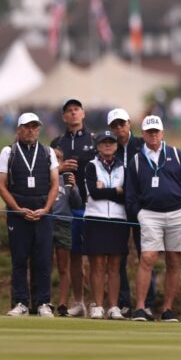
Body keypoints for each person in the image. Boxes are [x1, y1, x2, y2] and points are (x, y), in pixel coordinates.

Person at [126, 115, 181, 322]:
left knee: (173, 261)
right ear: (143, 134)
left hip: (178, 213)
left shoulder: (176, 155)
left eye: (156, 131)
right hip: (149, 213)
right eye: (149, 132)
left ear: (162, 133)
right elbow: (131, 194)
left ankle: (168, 309)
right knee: (147, 257)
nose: (153, 135)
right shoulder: (138, 160)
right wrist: (138, 212)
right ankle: (140, 307)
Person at [1, 113, 60, 317]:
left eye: (35, 127)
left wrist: (46, 208)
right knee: (19, 260)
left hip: (43, 213)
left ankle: (43, 302)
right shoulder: (9, 152)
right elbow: (1, 185)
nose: (31, 130)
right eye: (27, 127)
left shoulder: (47, 152)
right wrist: (17, 208)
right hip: (18, 213)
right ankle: (21, 302)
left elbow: (55, 184)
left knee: (43, 260)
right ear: (18, 129)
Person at [50, 98, 96, 318]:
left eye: (77, 109)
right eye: (69, 111)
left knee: (96, 256)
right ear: (64, 117)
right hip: (65, 207)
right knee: (74, 256)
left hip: (92, 204)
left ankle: (97, 302)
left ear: (83, 113)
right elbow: (48, 173)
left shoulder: (95, 140)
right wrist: (61, 168)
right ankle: (78, 302)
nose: (73, 113)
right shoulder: (57, 142)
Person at [109, 107, 156, 317]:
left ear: (129, 124)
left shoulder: (142, 145)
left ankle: (147, 303)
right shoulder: (108, 148)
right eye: (115, 125)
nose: (119, 128)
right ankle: (124, 301)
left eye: (122, 123)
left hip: (141, 209)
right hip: (118, 208)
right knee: (118, 257)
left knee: (145, 255)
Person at [82, 131, 130, 320]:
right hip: (96, 216)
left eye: (111, 142)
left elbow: (126, 194)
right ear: (98, 146)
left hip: (118, 218)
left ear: (117, 146)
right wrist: (116, 190)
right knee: (98, 263)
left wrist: (108, 190)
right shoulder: (91, 166)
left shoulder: (124, 168)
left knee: (115, 264)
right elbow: (94, 192)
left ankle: (113, 306)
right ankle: (98, 305)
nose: (108, 145)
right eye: (104, 142)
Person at [50, 146, 82, 317]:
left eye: (59, 157)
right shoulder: (44, 177)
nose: (56, 160)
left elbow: (77, 204)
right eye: (53, 157)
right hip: (46, 223)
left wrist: (73, 187)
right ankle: (44, 301)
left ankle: (62, 303)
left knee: (64, 266)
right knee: (43, 265)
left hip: (64, 223)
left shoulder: (67, 178)